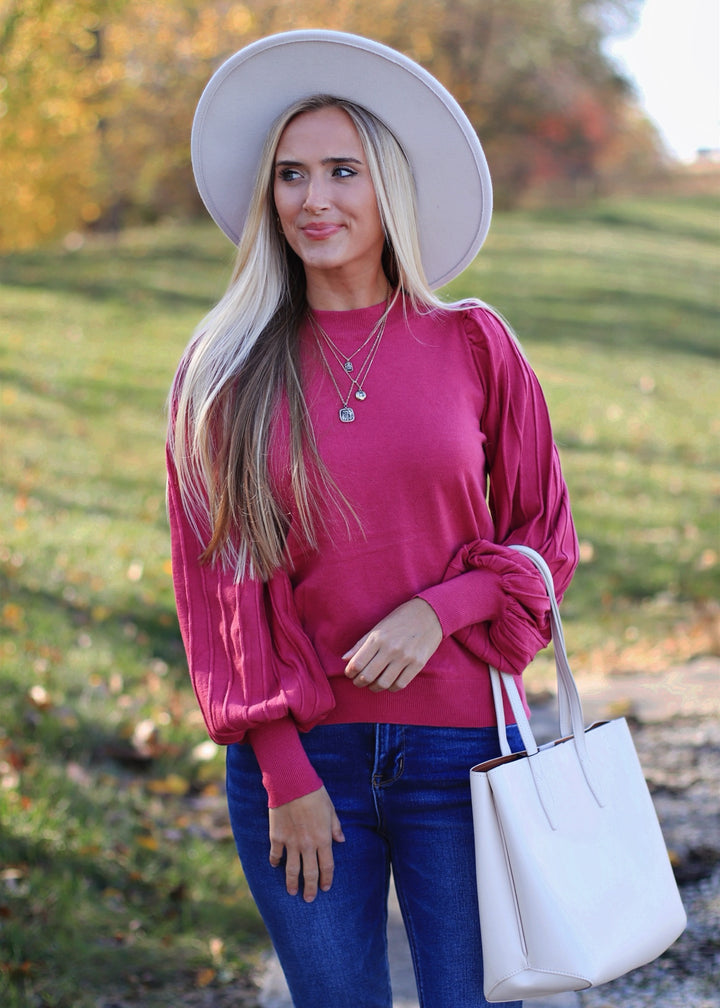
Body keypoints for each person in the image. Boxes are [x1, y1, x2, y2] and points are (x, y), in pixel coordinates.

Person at [166, 29, 578, 1008]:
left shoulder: (475, 345)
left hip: (463, 755)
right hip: (307, 763)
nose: (315, 200)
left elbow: (544, 538)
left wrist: (443, 608)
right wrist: (282, 769)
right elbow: (219, 590)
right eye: (292, 175)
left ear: (385, 184)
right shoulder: (225, 371)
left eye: (342, 170)